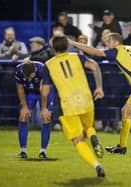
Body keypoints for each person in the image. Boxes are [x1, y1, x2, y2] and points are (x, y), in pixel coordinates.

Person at [40, 35, 105, 177]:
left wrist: (44, 108)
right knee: (89, 127)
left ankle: (97, 165)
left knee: (78, 140)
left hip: (67, 105)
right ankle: (93, 137)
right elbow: (95, 66)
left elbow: (45, 90)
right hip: (86, 100)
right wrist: (99, 87)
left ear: (52, 48)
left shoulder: (49, 65)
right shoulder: (77, 56)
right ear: (67, 46)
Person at [15, 60, 53, 159]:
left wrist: (44, 108)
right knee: (23, 116)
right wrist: (24, 107)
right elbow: (20, 88)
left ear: (35, 71)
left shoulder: (43, 70)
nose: (28, 79)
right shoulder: (19, 70)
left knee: (46, 118)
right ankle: (23, 151)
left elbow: (43, 91)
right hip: (29, 93)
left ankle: (43, 151)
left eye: (30, 76)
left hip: (44, 92)